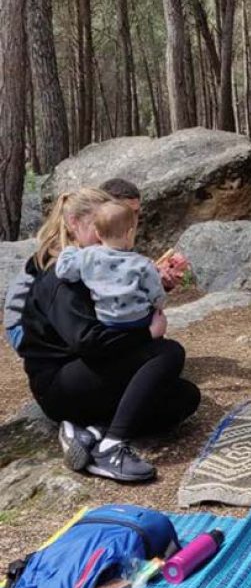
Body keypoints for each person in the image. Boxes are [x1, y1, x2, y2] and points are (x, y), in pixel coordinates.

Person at [17, 188, 199, 482]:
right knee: (168, 352)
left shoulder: (95, 262)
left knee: (184, 397)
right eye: (98, 226)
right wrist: (145, 333)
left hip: (91, 370)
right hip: (60, 384)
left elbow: (113, 313)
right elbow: (87, 340)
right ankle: (112, 447)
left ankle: (89, 433)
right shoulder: (60, 275)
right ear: (74, 223)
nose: (105, 235)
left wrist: (153, 289)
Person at [55, 201, 165, 330]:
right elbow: (156, 294)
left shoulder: (87, 256)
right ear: (129, 234)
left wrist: (69, 250)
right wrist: (160, 306)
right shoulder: (142, 263)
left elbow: (63, 271)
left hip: (107, 321)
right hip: (139, 320)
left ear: (98, 234)